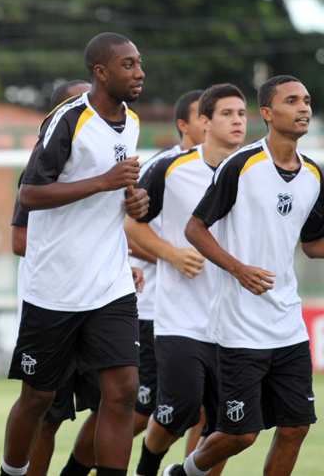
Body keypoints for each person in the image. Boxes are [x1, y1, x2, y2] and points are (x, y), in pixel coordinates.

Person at [0, 32, 149, 476]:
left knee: (122, 391)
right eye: (128, 65)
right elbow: (29, 194)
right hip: (55, 288)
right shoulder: (67, 121)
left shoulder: (134, 123)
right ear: (101, 73)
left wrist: (134, 201)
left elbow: (119, 193)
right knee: (39, 399)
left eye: (139, 63)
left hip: (109, 282)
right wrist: (103, 182)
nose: (139, 72)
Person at [165, 75, 318, 476]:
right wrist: (238, 268)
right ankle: (181, 474)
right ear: (267, 114)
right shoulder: (240, 165)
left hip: (287, 323)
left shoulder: (314, 175)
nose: (303, 108)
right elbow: (194, 228)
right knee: (240, 435)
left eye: (306, 100)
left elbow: (313, 243)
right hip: (239, 327)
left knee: (296, 426)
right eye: (291, 101)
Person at [126, 84, 248, 476]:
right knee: (180, 408)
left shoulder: (254, 170)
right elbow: (131, 226)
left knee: (229, 424)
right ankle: (148, 466)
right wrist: (172, 254)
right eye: (227, 113)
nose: (237, 121)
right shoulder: (169, 168)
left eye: (242, 113)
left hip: (237, 321)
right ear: (203, 122)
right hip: (180, 316)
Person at [11, 79, 102, 476]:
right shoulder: (41, 171)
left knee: (119, 401)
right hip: (55, 301)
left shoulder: (106, 161)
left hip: (99, 299)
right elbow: (18, 239)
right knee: (48, 413)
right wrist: (70, 257)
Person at [127, 89, 206, 442]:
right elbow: (125, 232)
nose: (215, 122)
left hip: (210, 310)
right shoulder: (160, 168)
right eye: (203, 116)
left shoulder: (231, 170)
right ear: (183, 125)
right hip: (156, 308)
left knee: (207, 408)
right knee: (141, 413)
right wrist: (172, 255)